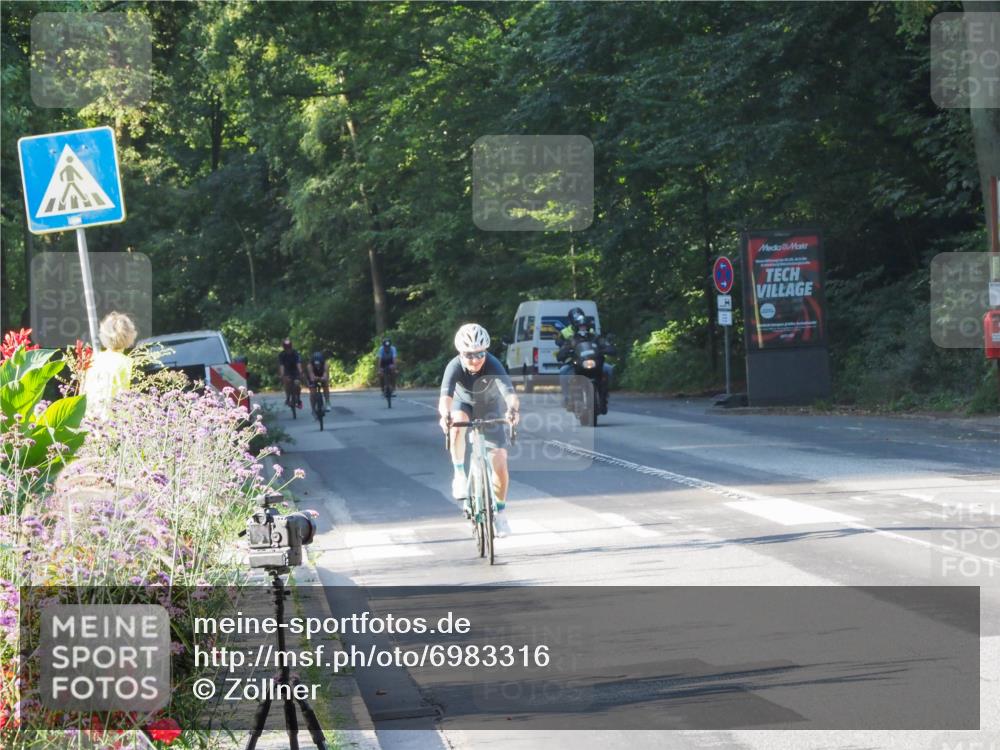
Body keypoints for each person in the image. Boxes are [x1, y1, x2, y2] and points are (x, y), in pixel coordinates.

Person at [438, 323, 520, 537]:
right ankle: (459, 474)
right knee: (457, 425)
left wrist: (512, 410)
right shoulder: (454, 366)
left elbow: (509, 394)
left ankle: (500, 513)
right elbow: (445, 399)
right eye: (469, 355)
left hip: (488, 407)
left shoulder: (493, 364)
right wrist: (445, 416)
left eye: (480, 354)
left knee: (500, 462)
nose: (475, 360)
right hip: (462, 403)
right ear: (460, 354)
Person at [557, 307, 614, 414]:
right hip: (576, 362)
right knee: (563, 371)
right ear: (575, 325)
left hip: (593, 361)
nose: (582, 328)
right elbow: (563, 348)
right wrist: (563, 353)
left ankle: (605, 395)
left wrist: (608, 348)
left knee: (608, 369)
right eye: (580, 326)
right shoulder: (571, 338)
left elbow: (603, 343)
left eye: (584, 326)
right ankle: (567, 398)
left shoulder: (593, 336)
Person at [83, 311, 137, 419]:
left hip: (92, 422)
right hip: (119, 424)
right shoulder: (130, 364)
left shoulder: (93, 360)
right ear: (130, 336)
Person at [278, 338, 303, 409]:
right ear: (284, 347)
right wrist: (282, 375)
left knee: (297, 383)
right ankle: (288, 397)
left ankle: (298, 399)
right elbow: (281, 365)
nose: (288, 349)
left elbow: (298, 363)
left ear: (291, 346)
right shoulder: (282, 355)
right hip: (287, 371)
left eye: (289, 347)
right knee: (287, 382)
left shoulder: (296, 353)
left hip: (295, 370)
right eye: (286, 347)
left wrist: (300, 372)